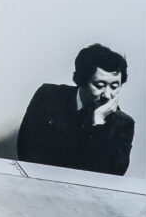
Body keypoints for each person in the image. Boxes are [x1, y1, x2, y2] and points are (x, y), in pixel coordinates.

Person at [17, 43, 134, 176]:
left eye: (114, 86)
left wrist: (98, 123)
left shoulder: (123, 124)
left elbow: (109, 175)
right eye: (100, 85)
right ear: (81, 80)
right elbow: (26, 150)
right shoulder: (47, 96)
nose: (107, 95)